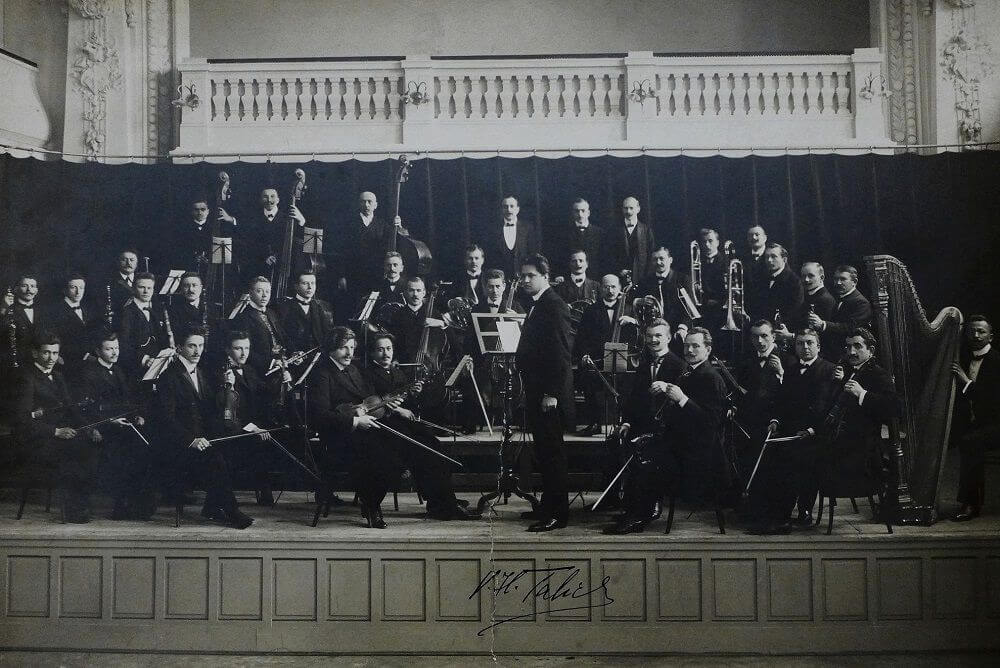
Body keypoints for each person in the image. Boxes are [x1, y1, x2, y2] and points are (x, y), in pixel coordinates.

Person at [308, 327, 471, 528]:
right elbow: (319, 416)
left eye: (351, 347)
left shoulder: (353, 369)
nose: (349, 353)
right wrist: (356, 421)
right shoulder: (322, 374)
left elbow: (369, 400)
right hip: (342, 436)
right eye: (343, 348)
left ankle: (442, 504)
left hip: (369, 425)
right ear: (331, 349)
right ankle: (371, 505)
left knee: (426, 441)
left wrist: (387, 406)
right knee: (388, 457)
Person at [364, 332, 479, 519]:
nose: (386, 353)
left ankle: (441, 500)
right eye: (380, 349)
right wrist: (399, 410)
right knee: (424, 450)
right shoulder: (367, 374)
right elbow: (373, 403)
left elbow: (405, 399)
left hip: (402, 422)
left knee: (434, 444)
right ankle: (443, 504)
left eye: (389, 348)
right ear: (371, 353)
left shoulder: (396, 371)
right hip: (383, 425)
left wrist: (414, 394)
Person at [153, 327, 253, 529]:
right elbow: (166, 420)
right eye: (191, 345)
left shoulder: (201, 373)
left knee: (236, 449)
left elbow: (209, 410)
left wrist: (228, 387)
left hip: (201, 440)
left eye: (200, 345)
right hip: (179, 446)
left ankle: (212, 507)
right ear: (179, 347)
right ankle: (231, 511)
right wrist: (191, 440)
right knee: (216, 459)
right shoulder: (168, 378)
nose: (197, 350)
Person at [745, 328, 837, 534]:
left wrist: (812, 430)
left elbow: (830, 409)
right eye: (800, 343)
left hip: (817, 435)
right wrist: (776, 420)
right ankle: (771, 513)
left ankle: (796, 512)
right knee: (770, 457)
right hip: (791, 431)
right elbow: (782, 401)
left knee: (796, 461)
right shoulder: (793, 369)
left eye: (809, 343)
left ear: (818, 346)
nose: (804, 347)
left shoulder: (829, 369)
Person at [604, 319, 686, 534]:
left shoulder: (678, 365)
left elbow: (681, 404)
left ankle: (645, 512)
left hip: (669, 430)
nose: (653, 340)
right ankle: (630, 505)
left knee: (647, 454)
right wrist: (627, 422)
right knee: (616, 442)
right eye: (649, 336)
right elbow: (635, 399)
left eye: (658, 335)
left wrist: (667, 387)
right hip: (645, 426)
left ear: (668, 338)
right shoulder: (644, 362)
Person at [14, 332, 102, 523]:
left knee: (91, 446)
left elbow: (71, 409)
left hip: (57, 437)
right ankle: (73, 509)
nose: (51, 358)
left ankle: (79, 504)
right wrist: (55, 432)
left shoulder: (58, 376)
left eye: (55, 353)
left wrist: (88, 428)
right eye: (46, 353)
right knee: (77, 451)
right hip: (36, 440)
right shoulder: (27, 378)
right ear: (35, 353)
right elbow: (21, 419)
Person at [515, 254, 574, 531]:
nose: (525, 280)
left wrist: (551, 393)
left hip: (548, 395)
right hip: (538, 392)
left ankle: (557, 514)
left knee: (552, 454)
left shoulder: (554, 305)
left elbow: (561, 355)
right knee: (544, 452)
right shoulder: (538, 305)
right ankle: (548, 506)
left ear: (544, 276)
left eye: (531, 276)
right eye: (523, 276)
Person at [77, 331, 155, 520]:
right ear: (97, 351)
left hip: (122, 424)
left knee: (146, 447)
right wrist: (110, 421)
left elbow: (127, 401)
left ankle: (136, 504)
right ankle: (122, 506)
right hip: (102, 427)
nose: (114, 352)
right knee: (129, 452)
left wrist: (137, 415)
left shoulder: (119, 370)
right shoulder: (89, 373)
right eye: (109, 349)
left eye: (117, 348)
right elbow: (86, 408)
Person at [819, 328, 899, 504]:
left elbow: (891, 407)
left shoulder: (879, 374)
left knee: (812, 456)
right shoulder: (850, 370)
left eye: (857, 346)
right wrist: (839, 383)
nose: (852, 352)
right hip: (845, 439)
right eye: (848, 347)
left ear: (871, 350)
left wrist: (862, 393)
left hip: (863, 445)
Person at [659, 327, 730, 504]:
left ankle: (645, 510)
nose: (689, 350)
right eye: (686, 346)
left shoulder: (711, 377)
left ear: (708, 349)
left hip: (701, 449)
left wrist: (682, 399)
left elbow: (711, 422)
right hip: (686, 441)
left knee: (651, 459)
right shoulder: (689, 371)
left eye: (695, 346)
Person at [574, 273, 637, 435]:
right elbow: (582, 337)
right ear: (601, 288)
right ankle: (595, 422)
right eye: (606, 286)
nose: (610, 290)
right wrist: (583, 355)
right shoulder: (591, 310)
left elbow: (640, 337)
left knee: (629, 383)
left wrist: (634, 322)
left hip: (623, 357)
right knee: (588, 378)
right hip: (597, 359)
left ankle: (624, 422)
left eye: (613, 286)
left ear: (620, 289)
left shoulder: (629, 309)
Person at [950, 315, 999, 521]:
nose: (976, 335)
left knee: (971, 442)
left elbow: (992, 402)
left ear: (991, 337)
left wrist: (965, 381)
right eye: (972, 331)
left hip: (994, 424)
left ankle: (970, 503)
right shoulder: (962, 357)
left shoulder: (997, 361)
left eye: (981, 332)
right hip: (971, 423)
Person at [340, 191, 409, 299]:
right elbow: (343, 252)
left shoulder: (382, 224)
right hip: (353, 274)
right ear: (359, 204)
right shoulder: (350, 223)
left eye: (369, 202)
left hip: (376, 274)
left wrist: (399, 227)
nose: (366, 205)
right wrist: (342, 276)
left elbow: (400, 241)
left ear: (375, 205)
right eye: (363, 201)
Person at [808, 264, 872, 360]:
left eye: (843, 279)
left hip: (850, 354)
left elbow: (851, 328)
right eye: (836, 279)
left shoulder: (861, 302)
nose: (838, 283)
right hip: (835, 352)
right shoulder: (839, 298)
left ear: (854, 282)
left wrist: (823, 324)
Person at [231, 276, 289, 381]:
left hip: (280, 366)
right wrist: (271, 362)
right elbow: (246, 352)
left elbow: (284, 337)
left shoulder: (272, 313)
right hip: (259, 373)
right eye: (259, 291)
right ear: (250, 293)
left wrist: (293, 352)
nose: (264, 295)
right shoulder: (243, 318)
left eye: (267, 291)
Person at [636, 247, 692, 352]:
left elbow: (689, 308)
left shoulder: (683, 279)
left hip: (676, 332)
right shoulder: (645, 281)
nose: (658, 262)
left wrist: (683, 328)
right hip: (653, 334)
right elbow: (637, 306)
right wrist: (640, 301)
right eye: (655, 259)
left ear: (670, 260)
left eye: (662, 258)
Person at [118, 272, 172, 376]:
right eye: (141, 287)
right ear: (134, 288)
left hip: (157, 364)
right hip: (136, 366)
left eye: (149, 288)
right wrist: (144, 359)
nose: (146, 291)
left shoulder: (157, 310)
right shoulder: (126, 312)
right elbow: (124, 344)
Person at [385, 276, 447, 363]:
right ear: (406, 292)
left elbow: (450, 338)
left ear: (424, 293)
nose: (415, 294)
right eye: (411, 290)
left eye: (418, 290)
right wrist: (395, 359)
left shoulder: (434, 313)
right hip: (405, 364)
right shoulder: (398, 315)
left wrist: (442, 323)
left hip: (430, 364)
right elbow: (394, 342)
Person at [775, 261, 836, 347]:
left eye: (810, 276)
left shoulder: (825, 300)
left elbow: (821, 336)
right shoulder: (808, 295)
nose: (806, 280)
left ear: (821, 278)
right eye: (803, 276)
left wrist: (790, 336)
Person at [46, 273, 94, 378]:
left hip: (89, 364)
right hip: (67, 364)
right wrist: (84, 355)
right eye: (73, 287)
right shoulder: (55, 311)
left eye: (81, 288)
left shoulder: (87, 309)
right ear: (64, 289)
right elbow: (53, 339)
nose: (78, 292)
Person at [275, 271, 335, 355]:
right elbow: (282, 336)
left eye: (313, 283)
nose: (310, 287)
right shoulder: (284, 307)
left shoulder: (321, 307)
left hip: (318, 356)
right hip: (295, 357)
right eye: (305, 283)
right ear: (296, 286)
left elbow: (327, 334)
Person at [487, 195, 540, 284]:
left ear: (518, 209)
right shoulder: (493, 229)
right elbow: (491, 257)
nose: (509, 210)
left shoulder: (528, 228)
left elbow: (533, 253)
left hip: (523, 278)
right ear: (501, 209)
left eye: (512, 206)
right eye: (505, 207)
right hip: (500, 280)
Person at [548, 198, 604, 282]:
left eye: (583, 211)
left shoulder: (599, 233)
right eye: (577, 211)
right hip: (569, 279)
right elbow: (558, 257)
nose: (580, 214)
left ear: (588, 213)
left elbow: (603, 258)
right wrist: (558, 275)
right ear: (572, 213)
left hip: (594, 279)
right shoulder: (563, 233)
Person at [601, 196, 655, 281]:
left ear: (638, 209)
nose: (628, 211)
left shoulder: (647, 230)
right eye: (626, 208)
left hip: (642, 278)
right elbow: (609, 255)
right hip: (620, 278)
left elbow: (651, 255)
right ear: (622, 209)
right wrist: (618, 270)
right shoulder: (613, 231)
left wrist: (645, 276)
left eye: (631, 208)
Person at [753, 243, 803, 328]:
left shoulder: (794, 282)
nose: (769, 260)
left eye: (773, 256)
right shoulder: (762, 278)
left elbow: (794, 312)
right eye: (767, 257)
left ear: (784, 259)